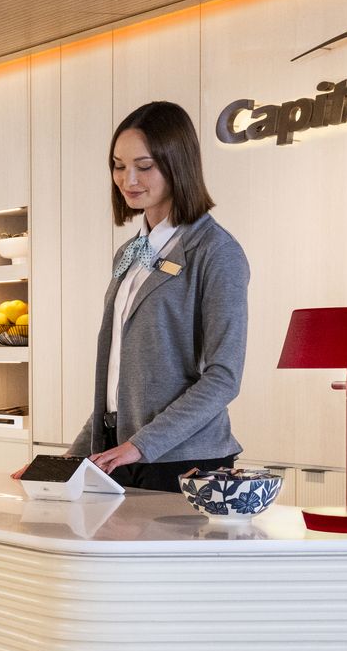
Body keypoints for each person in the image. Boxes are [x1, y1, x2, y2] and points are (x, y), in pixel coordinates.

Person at [50, 100, 250, 493]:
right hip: (120, 453)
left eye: (144, 166)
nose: (128, 179)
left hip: (182, 460)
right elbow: (117, 380)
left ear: (177, 164)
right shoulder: (129, 253)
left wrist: (140, 445)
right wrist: (68, 460)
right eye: (118, 166)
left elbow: (224, 377)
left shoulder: (216, 251)